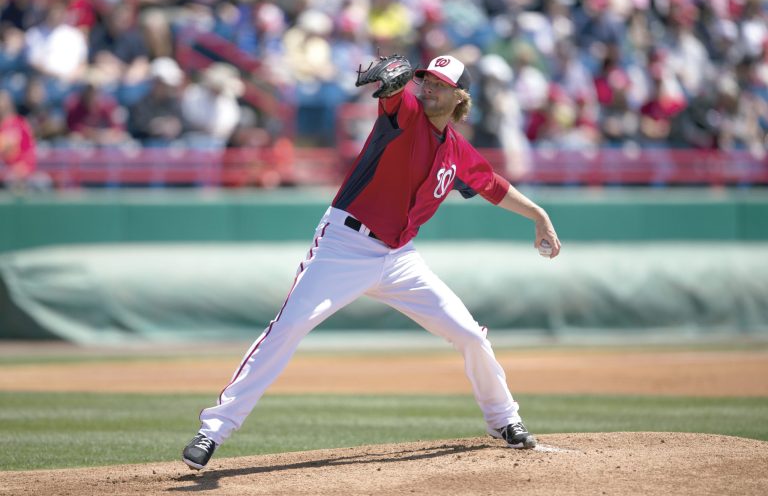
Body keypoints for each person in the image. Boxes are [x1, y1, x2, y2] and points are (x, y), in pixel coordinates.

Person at [182, 54, 562, 470]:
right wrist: (390, 81)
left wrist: (539, 217)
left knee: (470, 334)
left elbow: (493, 186)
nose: (428, 87)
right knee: (287, 328)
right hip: (344, 245)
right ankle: (213, 431)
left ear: (459, 97)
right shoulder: (407, 112)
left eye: (439, 83)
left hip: (400, 258)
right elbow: (394, 96)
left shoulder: (457, 151)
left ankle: (504, 419)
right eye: (426, 80)